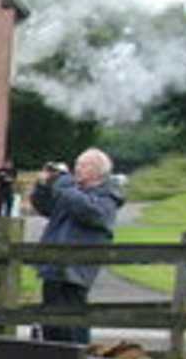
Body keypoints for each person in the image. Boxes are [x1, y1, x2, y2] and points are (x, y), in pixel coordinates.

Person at [30, 147, 122, 345]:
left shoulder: (107, 197)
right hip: (53, 266)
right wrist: (44, 185)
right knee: (51, 325)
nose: (77, 169)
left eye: (83, 165)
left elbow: (90, 212)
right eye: (77, 164)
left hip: (76, 270)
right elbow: (46, 207)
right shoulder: (72, 192)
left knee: (72, 325)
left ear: (98, 170)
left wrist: (64, 182)